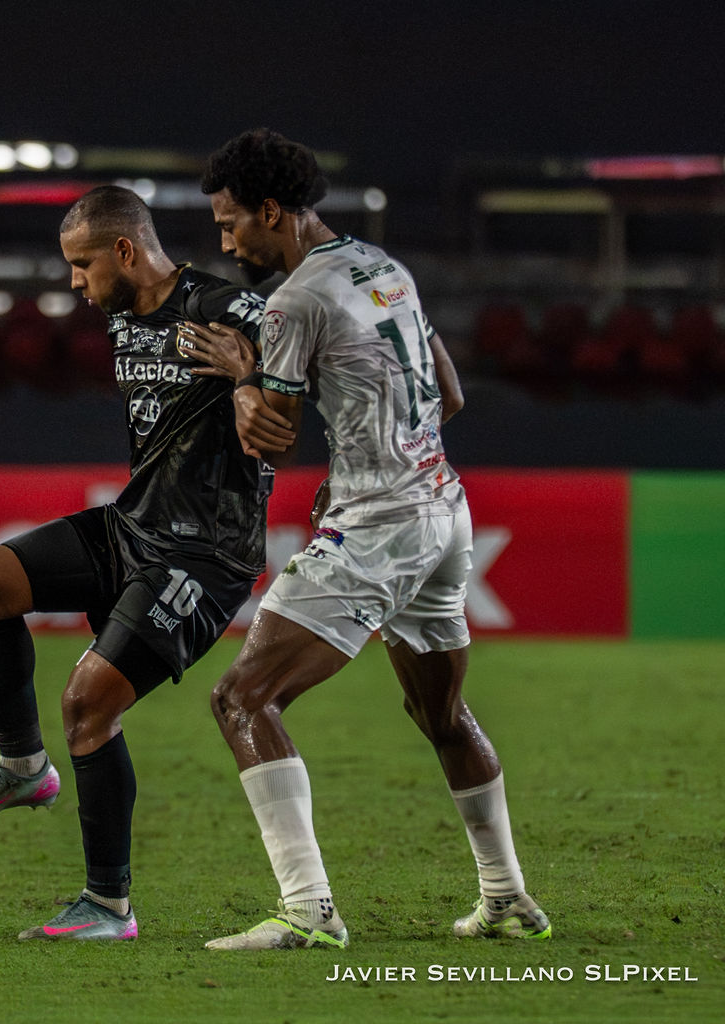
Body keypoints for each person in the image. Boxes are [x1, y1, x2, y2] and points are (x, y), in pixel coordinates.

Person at [179, 129, 550, 950]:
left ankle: (308, 911)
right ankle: (508, 900)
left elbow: (270, 440)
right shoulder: (384, 267)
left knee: (242, 699)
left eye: (232, 221)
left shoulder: (293, 301)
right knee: (441, 714)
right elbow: (449, 396)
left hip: (378, 524)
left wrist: (245, 375)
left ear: (272, 211)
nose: (227, 239)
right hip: (445, 510)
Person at [0, 184, 271, 941]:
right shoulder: (123, 313)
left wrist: (252, 378)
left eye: (82, 266)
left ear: (124, 250)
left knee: (89, 704)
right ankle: (22, 769)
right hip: (134, 526)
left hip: (206, 553)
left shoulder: (229, 312)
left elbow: (284, 423)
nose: (74, 283)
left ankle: (108, 907)